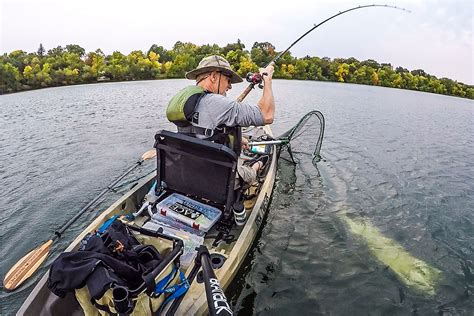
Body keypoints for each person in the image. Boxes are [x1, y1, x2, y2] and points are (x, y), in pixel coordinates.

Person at [166, 55, 275, 185]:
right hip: (216, 180)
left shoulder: (184, 100)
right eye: (228, 80)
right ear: (213, 76)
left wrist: (239, 140)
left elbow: (202, 132)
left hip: (186, 172)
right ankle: (258, 164)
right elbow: (267, 115)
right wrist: (268, 80)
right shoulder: (218, 103)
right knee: (250, 171)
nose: (230, 86)